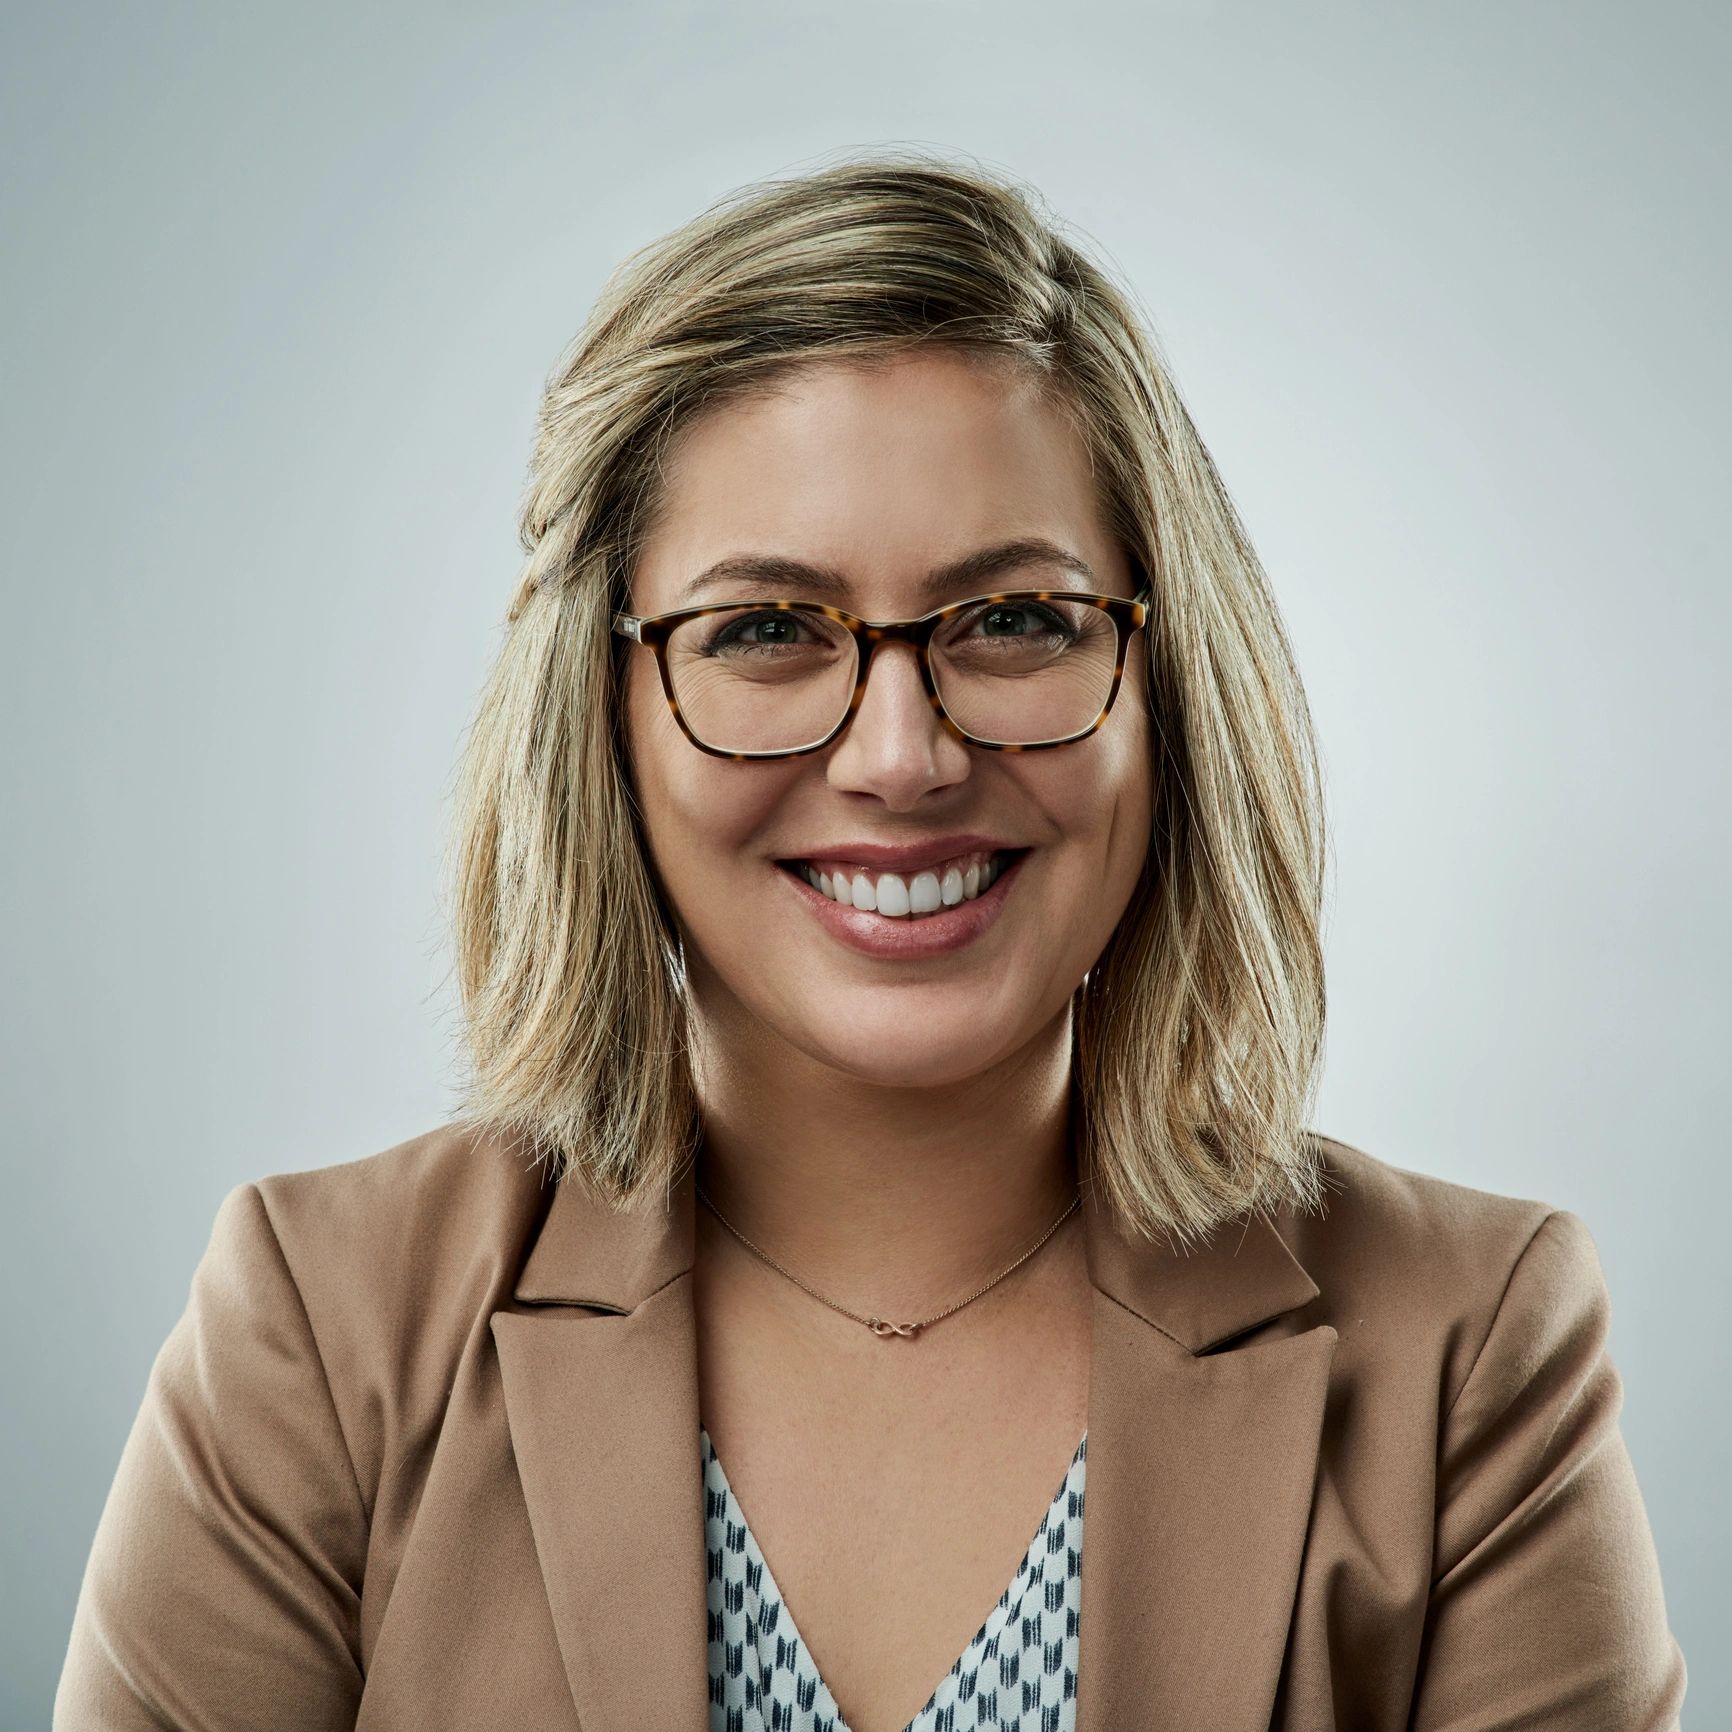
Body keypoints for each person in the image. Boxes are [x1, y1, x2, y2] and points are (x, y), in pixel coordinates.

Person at [55, 153, 1687, 1732]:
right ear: (599, 711)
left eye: (1015, 621)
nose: (901, 756)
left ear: (1171, 685)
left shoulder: (1474, 1352)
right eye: (765, 631)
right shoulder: (322, 1334)